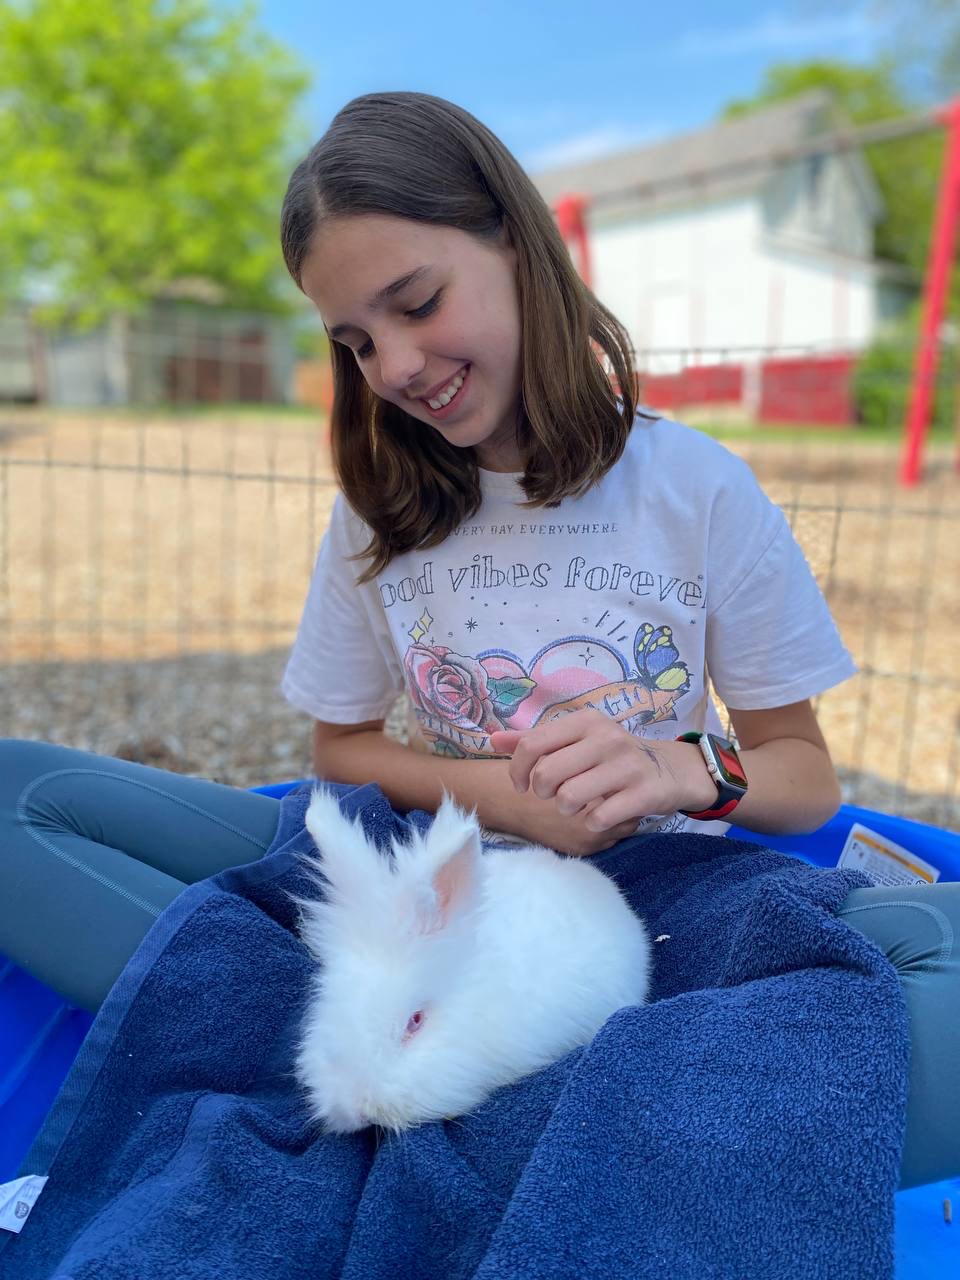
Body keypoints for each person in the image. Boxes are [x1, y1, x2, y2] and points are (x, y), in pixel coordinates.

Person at [0, 91, 956, 1189]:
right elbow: (342, 749)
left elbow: (806, 776)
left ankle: (409, 1087)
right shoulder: (381, 505)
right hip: (421, 896)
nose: (395, 365)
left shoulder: (694, 485)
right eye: (355, 340)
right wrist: (491, 795)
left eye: (417, 302)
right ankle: (437, 1077)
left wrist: (672, 770)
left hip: (657, 904)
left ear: (513, 239)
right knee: (13, 793)